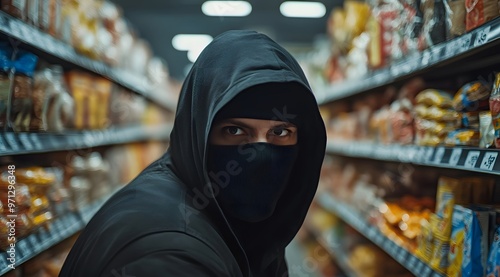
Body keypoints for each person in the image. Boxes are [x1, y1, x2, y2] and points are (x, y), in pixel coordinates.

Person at [59, 29, 326, 277]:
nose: (256, 154)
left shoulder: (233, 222)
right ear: (199, 133)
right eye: (234, 131)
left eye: (279, 133)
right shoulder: (169, 255)